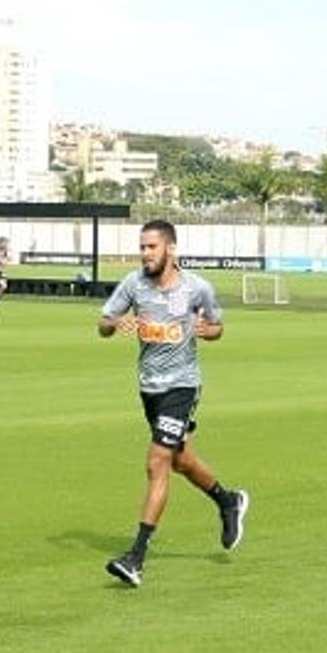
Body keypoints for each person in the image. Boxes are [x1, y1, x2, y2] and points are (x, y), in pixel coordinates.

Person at [97, 219, 249, 588]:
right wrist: (116, 324)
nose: (145, 253)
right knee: (181, 459)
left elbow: (217, 326)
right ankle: (228, 501)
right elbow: (102, 322)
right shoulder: (134, 284)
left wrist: (204, 331)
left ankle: (136, 558)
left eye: (152, 247)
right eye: (143, 247)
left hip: (183, 386)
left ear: (170, 248)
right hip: (149, 388)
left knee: (158, 462)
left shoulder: (196, 287)